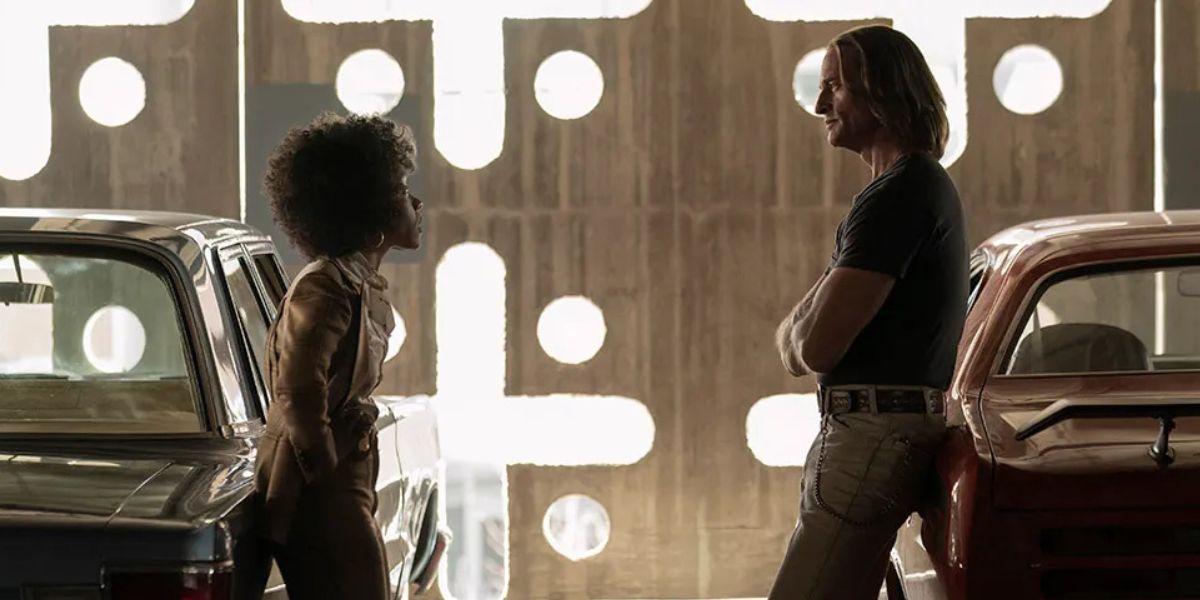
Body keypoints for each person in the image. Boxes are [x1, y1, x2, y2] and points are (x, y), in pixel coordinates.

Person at [769, 25, 968, 599]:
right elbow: (799, 343)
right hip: (873, 432)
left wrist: (803, 325)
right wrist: (805, 324)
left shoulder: (899, 197)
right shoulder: (902, 192)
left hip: (870, 438)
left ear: (881, 93)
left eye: (835, 86)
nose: (819, 105)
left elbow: (813, 347)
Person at [253, 112, 423, 600]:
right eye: (401, 190)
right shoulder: (325, 287)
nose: (416, 203)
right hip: (319, 492)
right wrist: (327, 472)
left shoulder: (349, 282)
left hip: (340, 482)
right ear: (368, 210)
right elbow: (298, 389)